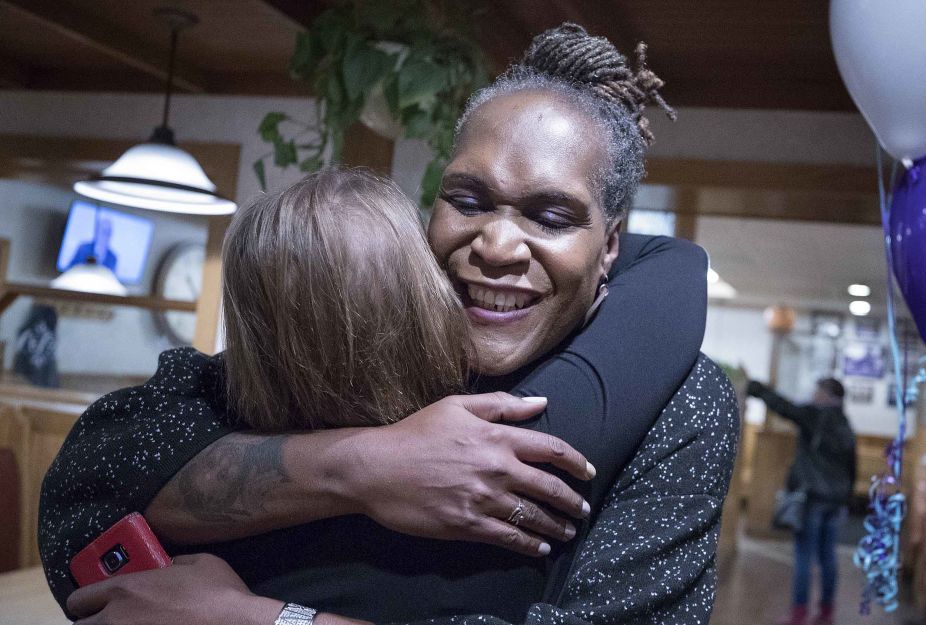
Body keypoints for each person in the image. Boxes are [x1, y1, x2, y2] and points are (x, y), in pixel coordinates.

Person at [41, 23, 740, 625]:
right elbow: (99, 471)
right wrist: (363, 465)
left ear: (611, 245)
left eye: (550, 216)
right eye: (467, 200)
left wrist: (265, 618)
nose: (496, 246)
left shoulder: (678, 401)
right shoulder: (380, 324)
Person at [747, 378, 857, 625]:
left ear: (829, 395)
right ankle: (826, 613)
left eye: (818, 390)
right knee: (828, 556)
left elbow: (783, 407)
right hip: (834, 499)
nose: (814, 394)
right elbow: (852, 467)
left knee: (804, 556)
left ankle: (798, 615)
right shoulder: (846, 425)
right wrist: (846, 500)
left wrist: (756, 388)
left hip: (812, 498)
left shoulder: (814, 416)